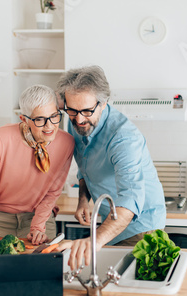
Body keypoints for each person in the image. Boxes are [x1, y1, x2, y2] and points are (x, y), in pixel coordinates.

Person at [56, 66, 166, 269]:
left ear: (103, 103)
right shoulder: (78, 122)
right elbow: (85, 168)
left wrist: (94, 240)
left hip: (140, 228)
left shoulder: (123, 138)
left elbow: (130, 200)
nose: (79, 119)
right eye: (72, 110)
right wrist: (83, 200)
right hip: (110, 224)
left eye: (87, 111)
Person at [0, 85, 74, 246]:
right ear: (24, 119)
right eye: (39, 119)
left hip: (39, 218)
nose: (50, 126)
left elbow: (52, 192)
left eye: (54, 116)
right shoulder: (1, 138)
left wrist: (38, 227)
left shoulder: (66, 143)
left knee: (42, 269)